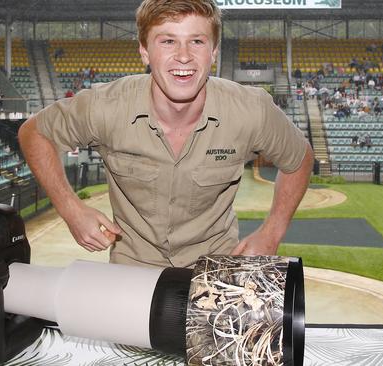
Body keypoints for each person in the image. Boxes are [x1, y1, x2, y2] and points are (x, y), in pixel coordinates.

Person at [17, 0, 314, 268]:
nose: (183, 56)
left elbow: (299, 159)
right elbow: (34, 133)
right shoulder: (105, 106)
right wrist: (71, 209)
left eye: (196, 41)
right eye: (168, 41)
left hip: (214, 265)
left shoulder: (251, 109)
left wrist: (272, 232)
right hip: (133, 266)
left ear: (213, 52)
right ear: (144, 51)